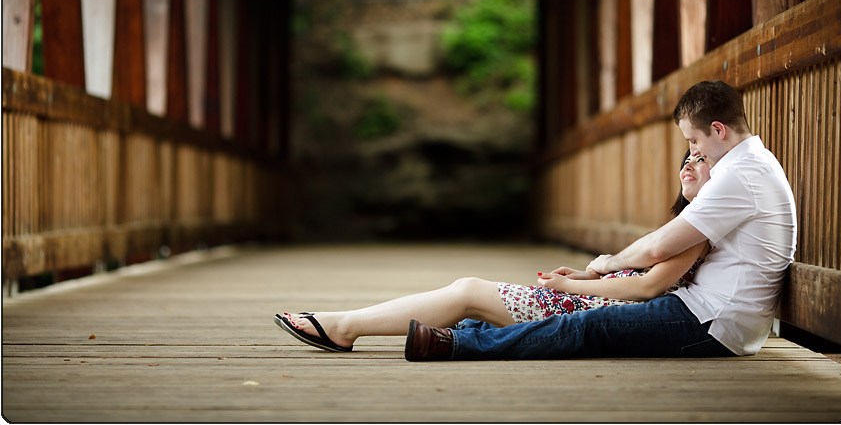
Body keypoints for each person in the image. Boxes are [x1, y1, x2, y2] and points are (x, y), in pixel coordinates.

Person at [404, 80, 797, 361]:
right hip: (707, 310)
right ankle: (459, 334)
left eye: (693, 142)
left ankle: (454, 345)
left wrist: (606, 264)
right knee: (585, 318)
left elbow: (659, 247)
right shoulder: (750, 166)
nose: (693, 153)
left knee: (587, 327)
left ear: (718, 129)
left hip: (713, 323)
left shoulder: (738, 175)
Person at [274, 150, 711, 353]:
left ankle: (343, 326)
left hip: (583, 309)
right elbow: (638, 280)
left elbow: (650, 288)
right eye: (686, 158)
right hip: (583, 296)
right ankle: (346, 324)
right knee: (467, 299)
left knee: (468, 292)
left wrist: (567, 287)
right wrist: (584, 277)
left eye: (702, 159)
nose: (689, 164)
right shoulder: (683, 225)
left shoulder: (699, 230)